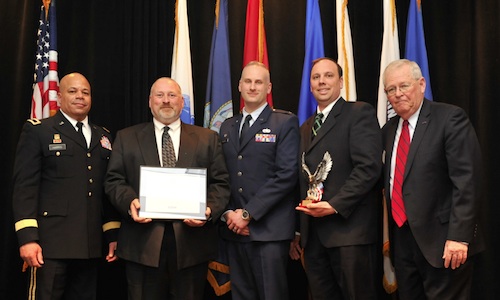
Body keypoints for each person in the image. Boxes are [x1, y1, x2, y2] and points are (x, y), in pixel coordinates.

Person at [104, 77, 230, 300]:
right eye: (160, 95)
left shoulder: (207, 139)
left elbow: (220, 184)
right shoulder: (126, 138)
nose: (166, 101)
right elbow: (114, 180)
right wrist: (130, 201)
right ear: (150, 101)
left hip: (191, 246)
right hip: (142, 246)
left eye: (172, 96)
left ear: (182, 102)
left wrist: (208, 210)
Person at [12, 72, 120, 300]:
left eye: (85, 92)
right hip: (50, 245)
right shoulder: (39, 130)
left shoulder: (104, 136)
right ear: (59, 97)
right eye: (72, 91)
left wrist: (112, 234)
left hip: (90, 244)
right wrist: (28, 238)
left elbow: (106, 190)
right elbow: (25, 187)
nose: (80, 96)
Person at [381, 59, 483, 299]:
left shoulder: (449, 118)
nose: (397, 94)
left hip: (444, 243)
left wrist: (459, 236)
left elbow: (467, 181)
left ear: (421, 84)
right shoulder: (388, 130)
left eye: (404, 86)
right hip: (403, 242)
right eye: (391, 89)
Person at [292, 58, 382, 299]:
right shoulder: (305, 127)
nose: (321, 81)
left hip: (349, 233)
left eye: (328, 76)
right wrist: (299, 232)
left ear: (341, 82)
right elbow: (303, 179)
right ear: (310, 85)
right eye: (316, 77)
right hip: (314, 238)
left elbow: (369, 168)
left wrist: (334, 205)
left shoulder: (358, 113)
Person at [218, 61, 300, 299]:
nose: (253, 87)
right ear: (239, 86)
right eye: (248, 81)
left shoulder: (284, 123)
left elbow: (286, 175)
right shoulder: (227, 126)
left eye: (259, 82)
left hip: (268, 232)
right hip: (234, 230)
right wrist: (229, 215)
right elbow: (222, 175)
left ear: (269, 87)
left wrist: (248, 214)